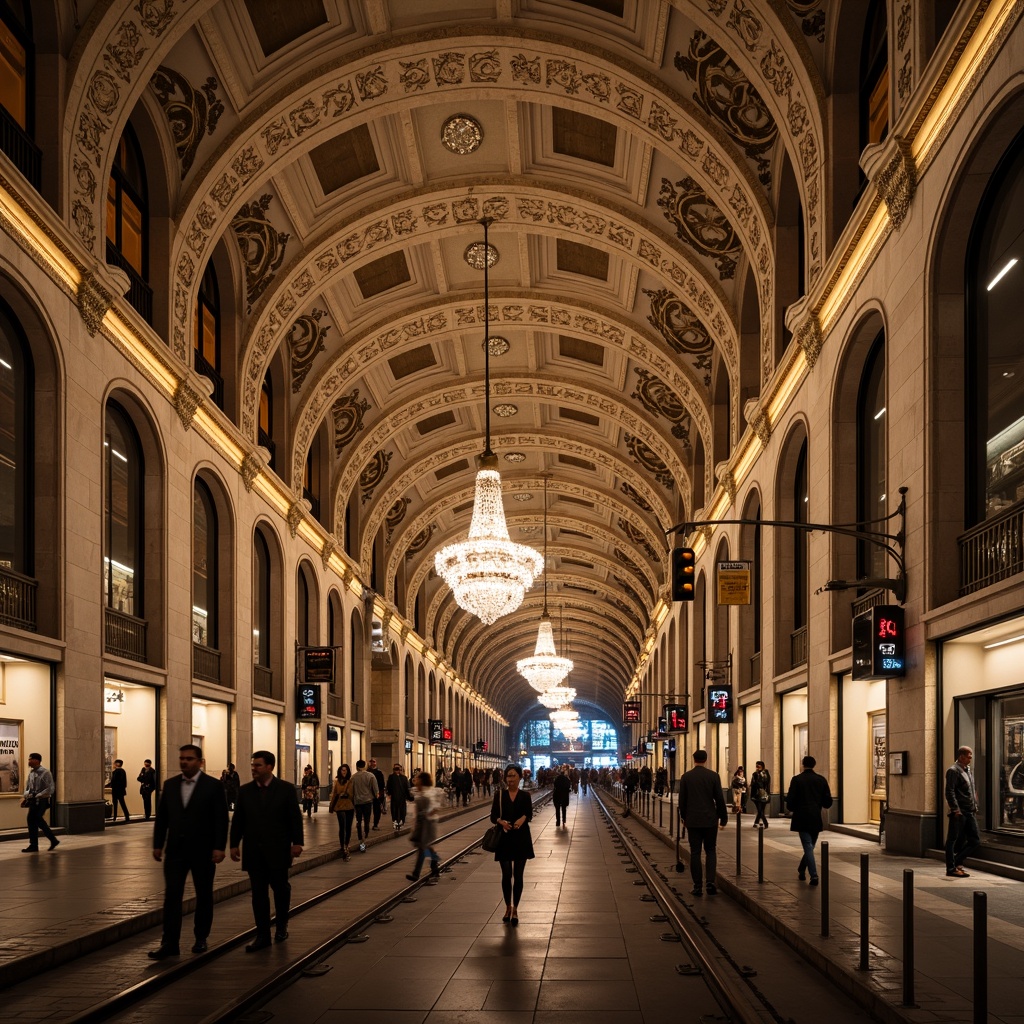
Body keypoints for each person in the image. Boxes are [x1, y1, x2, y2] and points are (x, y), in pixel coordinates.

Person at [148, 744, 229, 959]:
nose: (184, 762)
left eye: (190, 759)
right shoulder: (171, 785)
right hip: (175, 851)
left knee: (203, 895)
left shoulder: (213, 786)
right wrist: (158, 844)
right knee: (172, 896)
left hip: (203, 851)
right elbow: (162, 818)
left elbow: (221, 819)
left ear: (200, 762)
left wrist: (220, 847)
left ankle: (200, 938)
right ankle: (169, 943)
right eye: (182, 758)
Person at [229, 751, 304, 951]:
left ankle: (281, 926)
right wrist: (234, 843)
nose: (254, 768)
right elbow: (239, 820)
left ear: (270, 767)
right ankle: (262, 935)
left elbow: (294, 818)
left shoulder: (286, 790)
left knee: (280, 890)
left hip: (278, 850)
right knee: (258, 895)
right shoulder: (245, 791)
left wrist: (297, 842)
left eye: (258, 765)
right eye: (253, 765)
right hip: (254, 851)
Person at [678, 749, 728, 896]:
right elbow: (719, 798)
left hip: (693, 821)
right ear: (705, 759)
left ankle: (698, 886)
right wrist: (723, 817)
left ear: (694, 759)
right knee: (711, 850)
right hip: (710, 820)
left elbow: (682, 801)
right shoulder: (713, 776)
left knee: (695, 852)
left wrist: (684, 817)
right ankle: (710, 882)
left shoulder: (686, 777)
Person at [490, 764, 534, 926]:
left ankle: (516, 908)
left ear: (520, 778)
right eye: (508, 776)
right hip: (505, 838)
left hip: (521, 837)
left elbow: (529, 813)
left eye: (514, 776)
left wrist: (522, 820)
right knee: (506, 874)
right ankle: (507, 906)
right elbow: (493, 816)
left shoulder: (525, 796)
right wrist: (501, 822)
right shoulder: (499, 795)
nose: (511, 779)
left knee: (519, 875)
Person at [786, 755, 834, 885]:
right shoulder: (821, 780)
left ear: (802, 764)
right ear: (814, 765)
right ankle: (802, 869)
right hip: (815, 817)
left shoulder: (797, 780)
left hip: (801, 817)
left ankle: (813, 875)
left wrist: (791, 807)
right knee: (810, 846)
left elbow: (790, 800)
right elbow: (828, 802)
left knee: (808, 846)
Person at [945, 745, 980, 878]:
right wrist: (955, 809)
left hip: (970, 811)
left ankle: (958, 861)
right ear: (961, 756)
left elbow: (971, 789)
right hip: (959, 812)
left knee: (975, 840)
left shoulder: (968, 770)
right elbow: (949, 791)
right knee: (952, 839)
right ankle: (951, 868)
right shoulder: (953, 771)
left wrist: (975, 805)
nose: (971, 758)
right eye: (969, 756)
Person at [406, 770, 442, 881]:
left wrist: (427, 813)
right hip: (422, 824)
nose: (416, 781)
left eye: (418, 779)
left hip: (428, 824)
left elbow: (436, 807)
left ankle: (416, 874)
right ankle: (435, 864)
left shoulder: (429, 793)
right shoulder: (420, 792)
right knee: (426, 847)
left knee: (422, 848)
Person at [21, 752, 59, 852]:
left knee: (37, 820)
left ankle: (38, 843)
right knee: (33, 820)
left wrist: (38, 795)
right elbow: (28, 787)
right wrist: (26, 796)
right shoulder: (31, 773)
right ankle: (37, 843)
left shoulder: (45, 772)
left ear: (37, 760)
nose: (29, 761)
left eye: (31, 759)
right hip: (33, 801)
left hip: (41, 801)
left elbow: (50, 788)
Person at [328, 764, 355, 859]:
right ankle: (342, 845)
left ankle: (346, 844)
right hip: (339, 806)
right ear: (339, 771)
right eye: (342, 770)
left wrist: (347, 794)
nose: (344, 772)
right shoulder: (337, 782)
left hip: (349, 806)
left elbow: (352, 795)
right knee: (342, 826)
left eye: (345, 770)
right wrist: (331, 806)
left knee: (348, 827)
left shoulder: (350, 781)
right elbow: (334, 794)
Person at [351, 758, 379, 851]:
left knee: (359, 821)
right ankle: (365, 834)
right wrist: (377, 797)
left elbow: (351, 791)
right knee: (367, 820)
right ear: (365, 766)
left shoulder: (353, 777)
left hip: (357, 802)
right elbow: (375, 789)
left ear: (356, 767)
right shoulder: (370, 776)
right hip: (367, 801)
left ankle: (361, 840)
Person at [386, 763, 412, 829]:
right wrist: (389, 794)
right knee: (394, 811)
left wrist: (409, 797)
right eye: (396, 769)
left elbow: (407, 788)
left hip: (402, 797)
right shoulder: (391, 777)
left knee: (402, 811)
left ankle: (401, 822)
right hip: (394, 797)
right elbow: (389, 786)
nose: (397, 770)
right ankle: (395, 822)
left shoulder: (403, 778)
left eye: (399, 769)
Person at [750, 761, 772, 828]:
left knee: (761, 810)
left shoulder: (765, 774)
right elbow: (753, 784)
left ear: (762, 766)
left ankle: (760, 822)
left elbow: (766, 784)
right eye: (756, 766)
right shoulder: (755, 774)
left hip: (763, 794)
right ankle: (761, 823)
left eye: (759, 766)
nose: (757, 768)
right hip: (757, 795)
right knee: (760, 810)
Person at [367, 758, 387, 829]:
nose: (372, 763)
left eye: (374, 762)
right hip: (368, 794)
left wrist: (380, 793)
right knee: (367, 810)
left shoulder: (379, 772)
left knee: (377, 810)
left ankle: (375, 824)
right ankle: (367, 823)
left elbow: (382, 784)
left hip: (377, 794)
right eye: (371, 761)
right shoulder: (366, 772)